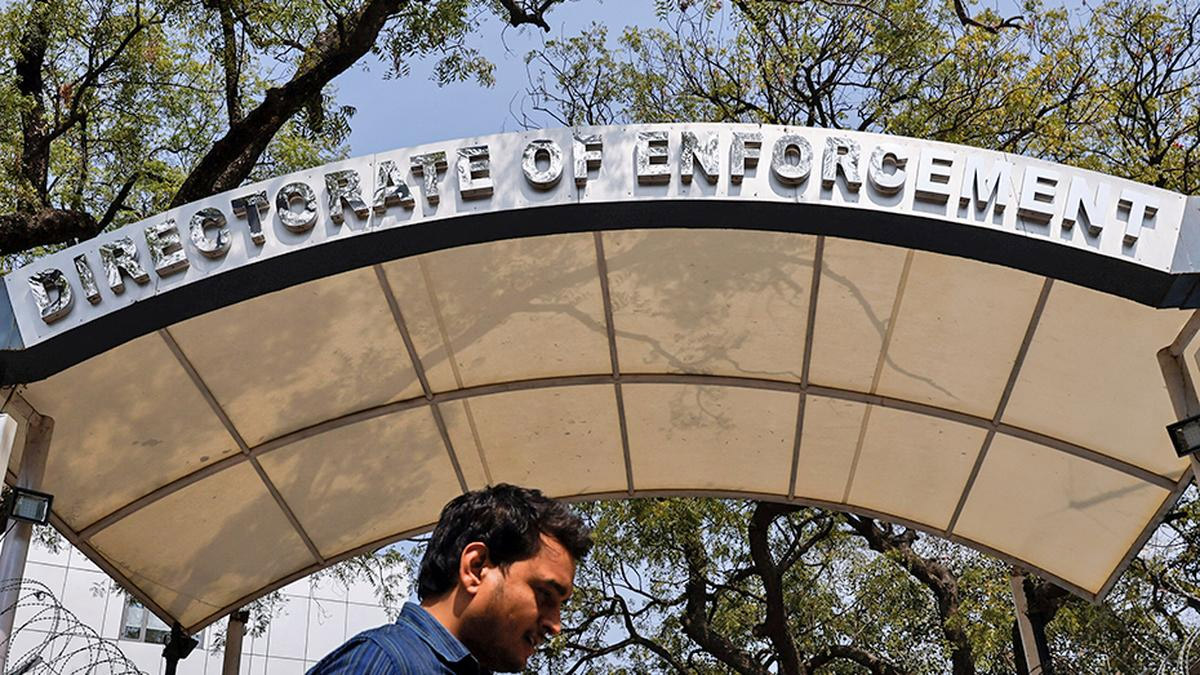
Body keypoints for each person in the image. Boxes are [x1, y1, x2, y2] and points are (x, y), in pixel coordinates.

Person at [307, 484, 593, 674]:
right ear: (475, 568)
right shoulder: (387, 664)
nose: (555, 625)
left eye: (562, 605)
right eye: (544, 595)